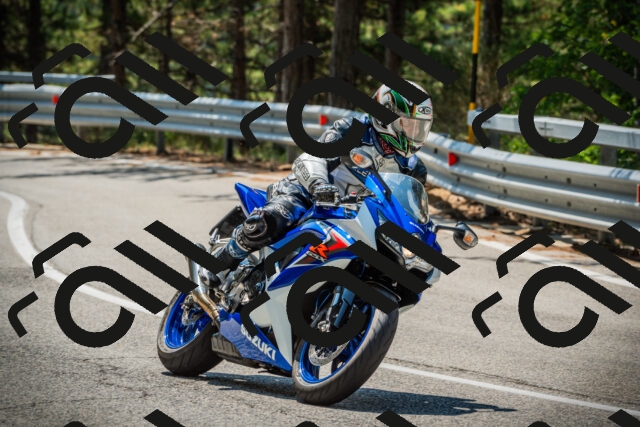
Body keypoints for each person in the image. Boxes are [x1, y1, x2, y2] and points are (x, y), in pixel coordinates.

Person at [199, 82, 434, 293]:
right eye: (408, 124)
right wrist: (318, 185)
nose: (414, 133)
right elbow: (314, 155)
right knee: (271, 220)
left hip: (357, 218)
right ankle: (220, 263)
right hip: (308, 194)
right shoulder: (353, 131)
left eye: (419, 127)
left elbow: (408, 209)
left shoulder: (414, 168)